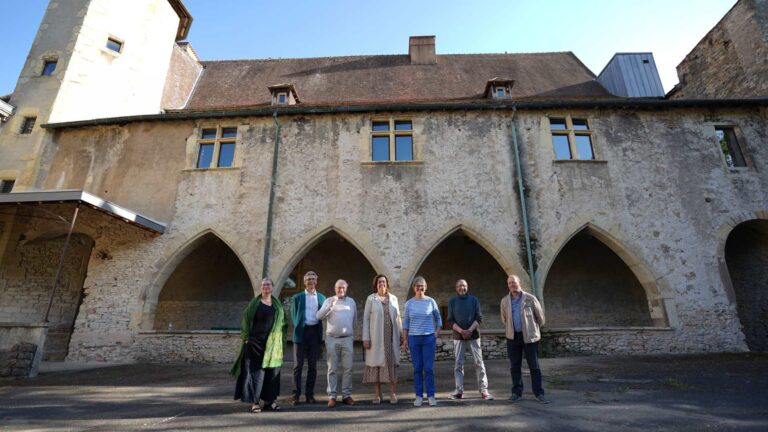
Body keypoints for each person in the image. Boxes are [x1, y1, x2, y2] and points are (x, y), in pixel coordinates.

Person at [231, 278, 286, 413]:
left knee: (272, 373)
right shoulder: (254, 304)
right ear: (261, 288)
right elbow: (245, 319)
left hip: (273, 345)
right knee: (256, 374)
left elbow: (283, 324)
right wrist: (245, 338)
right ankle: (255, 402)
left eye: (268, 284)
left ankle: (269, 401)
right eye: (263, 285)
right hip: (255, 343)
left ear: (272, 287)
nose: (265, 287)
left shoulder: (277, 305)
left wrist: (280, 342)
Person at [500, 274, 549, 404]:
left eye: (514, 282)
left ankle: (539, 393)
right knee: (515, 367)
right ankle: (516, 392)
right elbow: (504, 319)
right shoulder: (504, 301)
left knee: (534, 366)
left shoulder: (530, 298)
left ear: (519, 283)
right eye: (509, 283)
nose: (512, 285)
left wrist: (532, 330)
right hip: (513, 337)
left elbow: (541, 318)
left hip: (530, 338)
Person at [447, 279, 494, 401]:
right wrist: (462, 331)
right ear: (456, 288)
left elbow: (479, 318)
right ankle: (459, 390)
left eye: (463, 285)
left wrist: (469, 330)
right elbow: (450, 321)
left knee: (479, 362)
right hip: (458, 337)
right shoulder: (452, 301)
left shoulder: (474, 300)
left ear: (467, 287)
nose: (461, 287)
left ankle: (484, 390)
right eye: (459, 286)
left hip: (474, 336)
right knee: (458, 364)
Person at [362, 274, 404, 405]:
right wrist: (366, 338)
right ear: (376, 285)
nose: (382, 284)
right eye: (379, 282)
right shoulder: (371, 299)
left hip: (391, 339)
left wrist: (402, 334)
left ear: (387, 284)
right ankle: (377, 394)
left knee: (392, 365)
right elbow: (366, 319)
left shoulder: (393, 298)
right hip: (376, 338)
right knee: (377, 366)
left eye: (384, 282)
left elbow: (398, 317)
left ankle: (392, 393)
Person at [316, 279, 357, 408]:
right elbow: (319, 316)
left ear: (346, 288)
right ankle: (332, 396)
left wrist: (349, 332)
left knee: (348, 368)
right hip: (332, 338)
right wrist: (330, 305)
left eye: (343, 288)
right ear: (335, 289)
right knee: (332, 369)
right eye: (339, 288)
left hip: (347, 338)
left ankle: (346, 395)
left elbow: (354, 320)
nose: (341, 290)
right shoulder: (329, 300)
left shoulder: (351, 302)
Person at [403, 276, 442, 407]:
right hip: (414, 339)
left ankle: (431, 395)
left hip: (428, 338)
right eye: (417, 286)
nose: (420, 288)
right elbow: (406, 324)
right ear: (414, 288)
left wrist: (436, 333)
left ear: (426, 287)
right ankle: (418, 396)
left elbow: (438, 319)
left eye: (422, 286)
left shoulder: (431, 301)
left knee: (429, 368)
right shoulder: (409, 303)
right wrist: (405, 340)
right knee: (417, 368)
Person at [290, 270, 327, 404]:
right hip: (301, 333)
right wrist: (300, 326)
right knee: (297, 365)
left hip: (314, 333)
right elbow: (294, 316)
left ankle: (309, 394)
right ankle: (296, 395)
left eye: (313, 279)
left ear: (316, 281)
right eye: (308, 279)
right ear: (304, 282)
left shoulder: (322, 298)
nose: (311, 281)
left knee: (313, 366)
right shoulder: (297, 298)